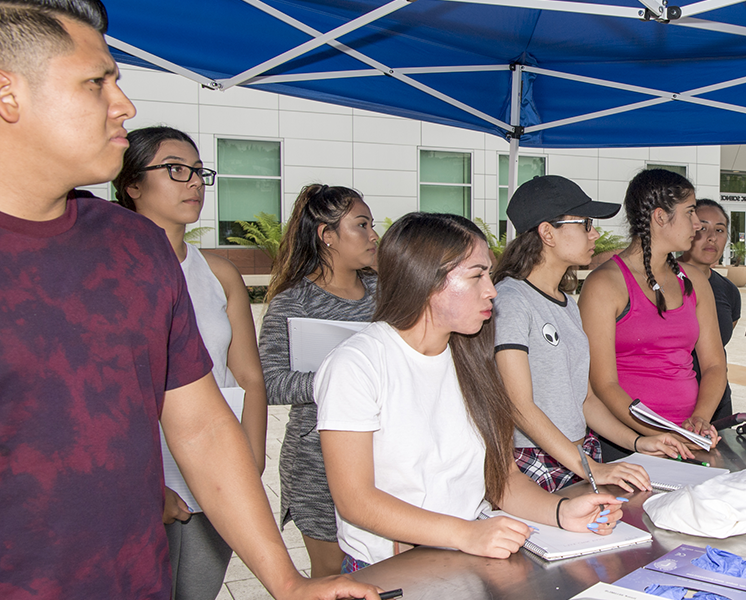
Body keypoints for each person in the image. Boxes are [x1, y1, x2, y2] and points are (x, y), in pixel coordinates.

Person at [0, 1, 379, 598]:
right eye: (96, 83)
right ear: (8, 93)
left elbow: (201, 423)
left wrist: (287, 581)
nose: (123, 105)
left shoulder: (134, 248)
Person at [315, 212, 626, 571]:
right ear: (425, 279)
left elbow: (504, 478)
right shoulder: (357, 365)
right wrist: (465, 534)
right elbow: (356, 499)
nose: (491, 290)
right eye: (476, 275)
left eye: (488, 275)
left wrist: (561, 512)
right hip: (391, 570)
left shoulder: (471, 356)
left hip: (464, 559)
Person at [113, 125, 268, 600]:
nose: (195, 182)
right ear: (132, 185)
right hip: (140, 477)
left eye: (199, 171)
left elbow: (248, 376)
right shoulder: (112, 271)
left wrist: (250, 462)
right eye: (176, 170)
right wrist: (144, 484)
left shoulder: (218, 274)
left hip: (215, 471)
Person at [491, 175, 690, 493]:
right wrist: (590, 467)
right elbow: (520, 406)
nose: (595, 233)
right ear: (547, 233)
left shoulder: (567, 304)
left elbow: (585, 400)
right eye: (585, 224)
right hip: (532, 464)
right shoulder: (511, 300)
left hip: (577, 456)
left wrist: (640, 442)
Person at [259, 184, 380, 577]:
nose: (373, 235)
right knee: (331, 577)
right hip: (316, 462)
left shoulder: (385, 292)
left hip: (384, 452)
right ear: (327, 235)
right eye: (361, 225)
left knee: (381, 570)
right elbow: (270, 382)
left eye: (371, 225)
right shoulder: (293, 302)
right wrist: (340, 378)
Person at [580, 169, 726, 456]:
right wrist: (663, 435)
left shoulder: (695, 280)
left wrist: (699, 420)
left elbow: (714, 366)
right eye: (690, 213)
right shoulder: (605, 284)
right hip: (627, 441)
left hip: (687, 438)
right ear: (660, 217)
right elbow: (603, 384)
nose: (697, 225)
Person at [679, 198, 743, 422]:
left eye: (720, 230)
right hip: (670, 408)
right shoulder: (661, 282)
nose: (711, 238)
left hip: (716, 408)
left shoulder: (729, 291)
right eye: (703, 228)